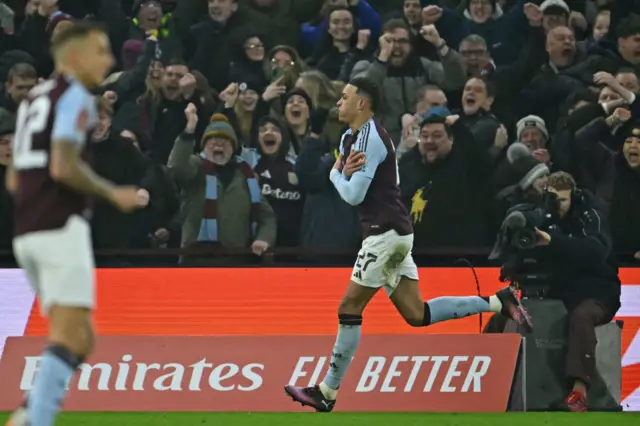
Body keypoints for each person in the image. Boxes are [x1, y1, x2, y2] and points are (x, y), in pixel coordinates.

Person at [284, 76, 533, 412]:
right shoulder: (348, 137)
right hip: (393, 234)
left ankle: (327, 392)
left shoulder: (371, 139)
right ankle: (497, 301)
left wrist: (335, 175)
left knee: (348, 309)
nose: (338, 102)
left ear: (362, 103)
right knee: (417, 314)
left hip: (383, 233)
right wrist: (341, 171)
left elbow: (353, 194)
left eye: (345, 97)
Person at [6, 22, 148, 426]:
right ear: (72, 55)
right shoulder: (76, 99)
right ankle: (37, 420)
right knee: (70, 336)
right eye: (100, 51)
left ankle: (27, 415)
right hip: (58, 228)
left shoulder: (33, 99)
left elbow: (15, 177)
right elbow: (63, 165)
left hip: (27, 232)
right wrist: (110, 194)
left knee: (80, 338)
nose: (108, 59)